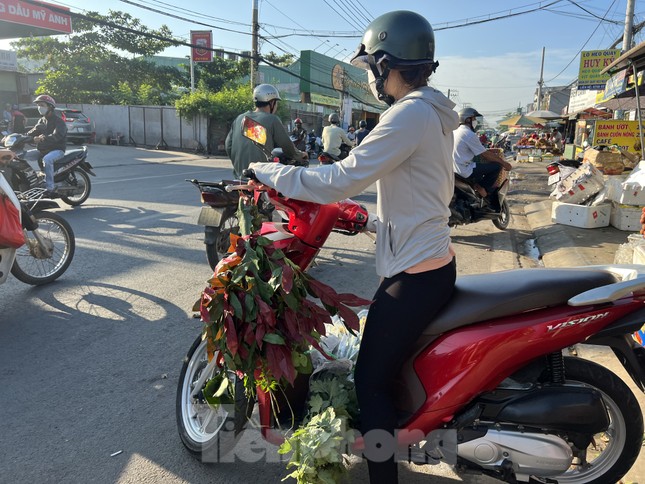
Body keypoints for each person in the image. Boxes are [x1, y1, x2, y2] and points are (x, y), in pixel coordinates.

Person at [247, 11, 458, 483]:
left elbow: (339, 179)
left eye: (370, 68)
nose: (370, 77)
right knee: (390, 368)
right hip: (426, 258)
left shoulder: (410, 114)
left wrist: (268, 172)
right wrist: (372, 223)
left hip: (416, 272)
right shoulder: (436, 114)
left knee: (370, 380)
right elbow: (423, 195)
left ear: (386, 63)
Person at [225, 84, 307, 178]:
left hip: (239, 178)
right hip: (261, 178)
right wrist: (301, 155)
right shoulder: (272, 119)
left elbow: (228, 146)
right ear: (271, 103)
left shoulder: (240, 118)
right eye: (276, 102)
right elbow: (287, 146)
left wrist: (239, 165)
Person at [453, 107, 512, 208]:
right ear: (468, 120)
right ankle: (484, 190)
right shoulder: (468, 134)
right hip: (463, 170)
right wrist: (504, 163)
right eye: (474, 119)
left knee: (480, 166)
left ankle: (476, 186)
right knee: (496, 166)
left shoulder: (455, 132)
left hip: (453, 169)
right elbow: (485, 155)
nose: (476, 122)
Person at [26, 95, 67, 197]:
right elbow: (31, 133)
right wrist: (19, 137)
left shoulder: (58, 121)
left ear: (50, 107)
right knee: (21, 156)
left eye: (42, 105)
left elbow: (57, 135)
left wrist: (44, 138)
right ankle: (31, 181)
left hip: (57, 150)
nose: (39, 107)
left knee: (47, 160)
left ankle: (50, 188)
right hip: (43, 149)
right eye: (38, 105)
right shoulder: (41, 121)